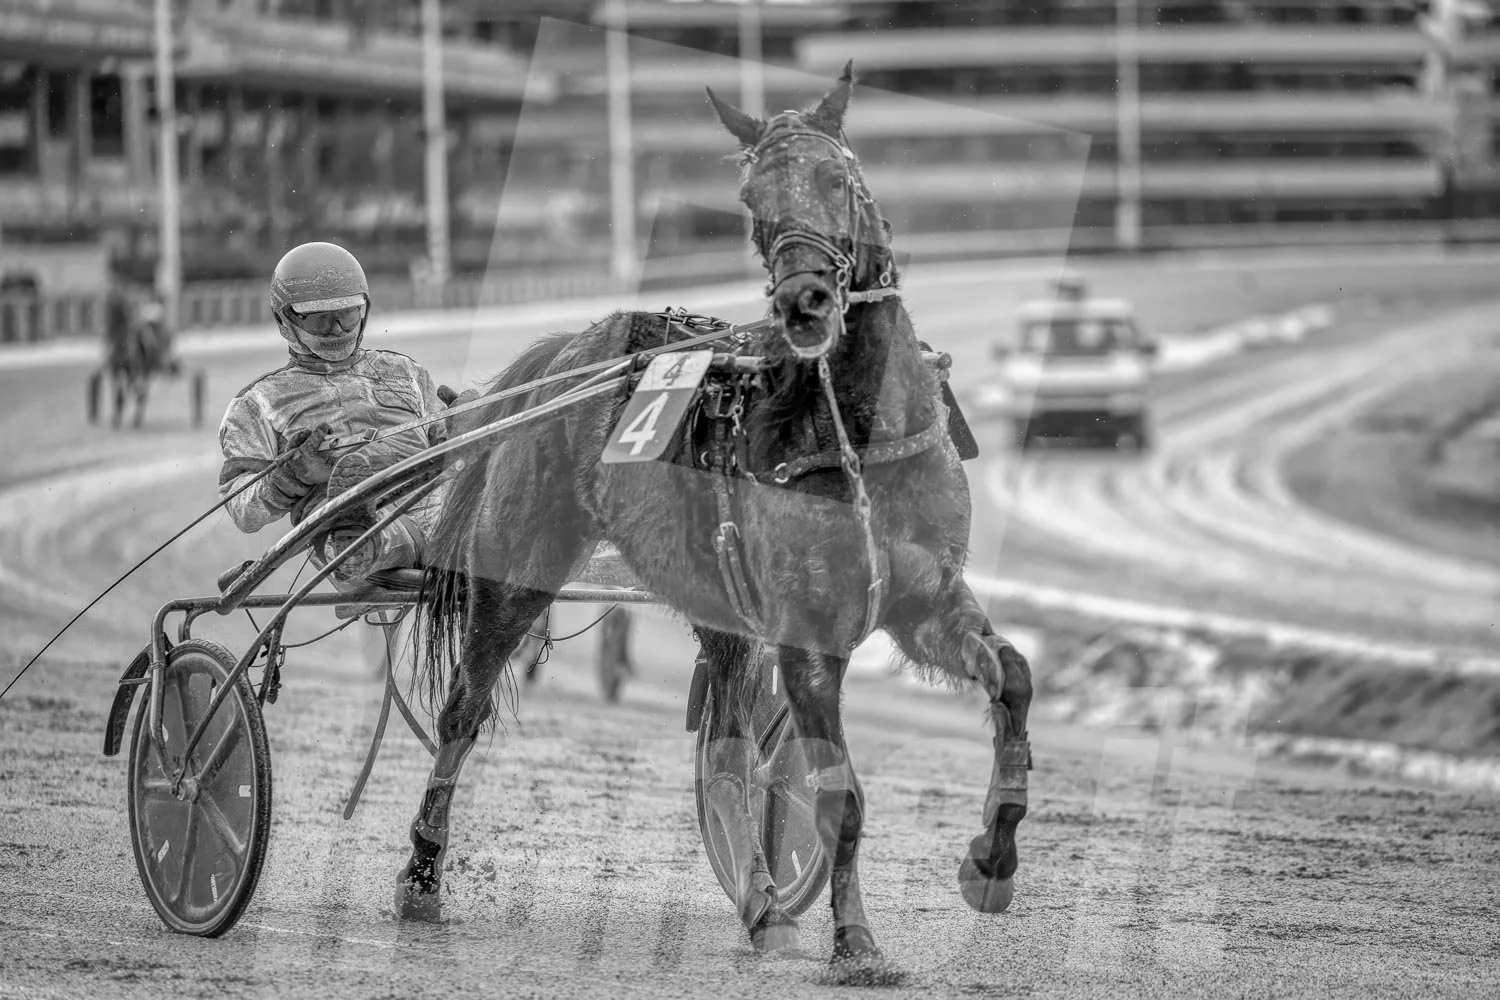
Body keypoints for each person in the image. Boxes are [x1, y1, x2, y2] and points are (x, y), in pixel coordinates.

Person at [217, 241, 447, 584]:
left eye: (346, 314)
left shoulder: (406, 372)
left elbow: (443, 439)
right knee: (353, 532)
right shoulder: (258, 402)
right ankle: (368, 538)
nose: (337, 329)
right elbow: (242, 511)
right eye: (320, 319)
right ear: (286, 321)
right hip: (345, 527)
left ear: (364, 310)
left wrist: (462, 427)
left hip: (436, 501)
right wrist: (292, 475)